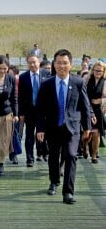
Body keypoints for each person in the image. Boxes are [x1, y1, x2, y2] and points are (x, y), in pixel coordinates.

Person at [36, 49, 92, 204]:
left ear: (71, 64)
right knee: (53, 156)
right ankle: (54, 181)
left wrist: (87, 127)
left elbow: (85, 106)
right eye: (59, 63)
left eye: (65, 63)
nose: (62, 66)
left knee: (71, 155)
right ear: (54, 64)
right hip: (53, 127)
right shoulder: (46, 84)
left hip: (72, 128)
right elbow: (40, 109)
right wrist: (40, 128)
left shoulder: (78, 82)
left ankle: (68, 192)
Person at [18, 54, 50, 167]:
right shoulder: (23, 77)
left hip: (44, 111)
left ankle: (43, 154)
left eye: (34, 62)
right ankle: (29, 158)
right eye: (30, 62)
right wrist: (21, 113)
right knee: (29, 135)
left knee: (44, 134)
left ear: (39, 62)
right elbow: (20, 97)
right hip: (29, 111)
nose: (32, 64)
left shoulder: (46, 74)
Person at [83, 61, 106, 163]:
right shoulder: (86, 79)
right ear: (93, 70)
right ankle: (84, 146)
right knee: (87, 135)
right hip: (86, 108)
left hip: (98, 110)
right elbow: (81, 93)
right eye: (96, 70)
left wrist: (101, 101)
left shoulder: (105, 82)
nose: (98, 72)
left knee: (96, 133)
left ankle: (94, 156)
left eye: (100, 71)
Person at [8, 64, 22, 165]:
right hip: (5, 111)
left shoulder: (19, 82)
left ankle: (14, 153)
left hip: (16, 112)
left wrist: (19, 113)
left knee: (15, 132)